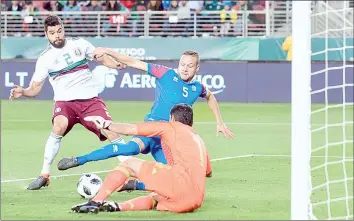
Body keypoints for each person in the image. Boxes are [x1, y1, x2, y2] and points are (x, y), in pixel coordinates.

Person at [58, 48, 234, 190]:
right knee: (130, 149)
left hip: (168, 139)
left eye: (189, 66)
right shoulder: (165, 74)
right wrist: (106, 50)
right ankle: (79, 160)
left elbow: (211, 96)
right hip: (152, 128)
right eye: (182, 64)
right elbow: (133, 62)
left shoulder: (198, 87)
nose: (185, 68)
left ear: (197, 68)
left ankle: (134, 185)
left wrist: (219, 121)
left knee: (175, 178)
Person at [8, 15, 129, 191]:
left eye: (59, 31)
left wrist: (115, 65)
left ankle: (131, 171)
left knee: (110, 132)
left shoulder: (80, 44)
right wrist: (23, 92)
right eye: (52, 33)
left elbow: (101, 58)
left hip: (90, 101)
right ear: (46, 34)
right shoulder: (45, 59)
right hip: (65, 103)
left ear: (63, 29)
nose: (57, 35)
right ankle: (44, 175)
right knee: (58, 126)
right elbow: (35, 88)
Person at [72, 104, 212, 214]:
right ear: (191, 123)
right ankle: (117, 206)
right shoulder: (199, 140)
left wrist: (106, 125)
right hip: (193, 201)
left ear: (172, 118)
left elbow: (131, 130)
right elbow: (208, 173)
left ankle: (95, 202)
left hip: (179, 189)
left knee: (128, 164)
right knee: (156, 195)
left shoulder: (170, 127)